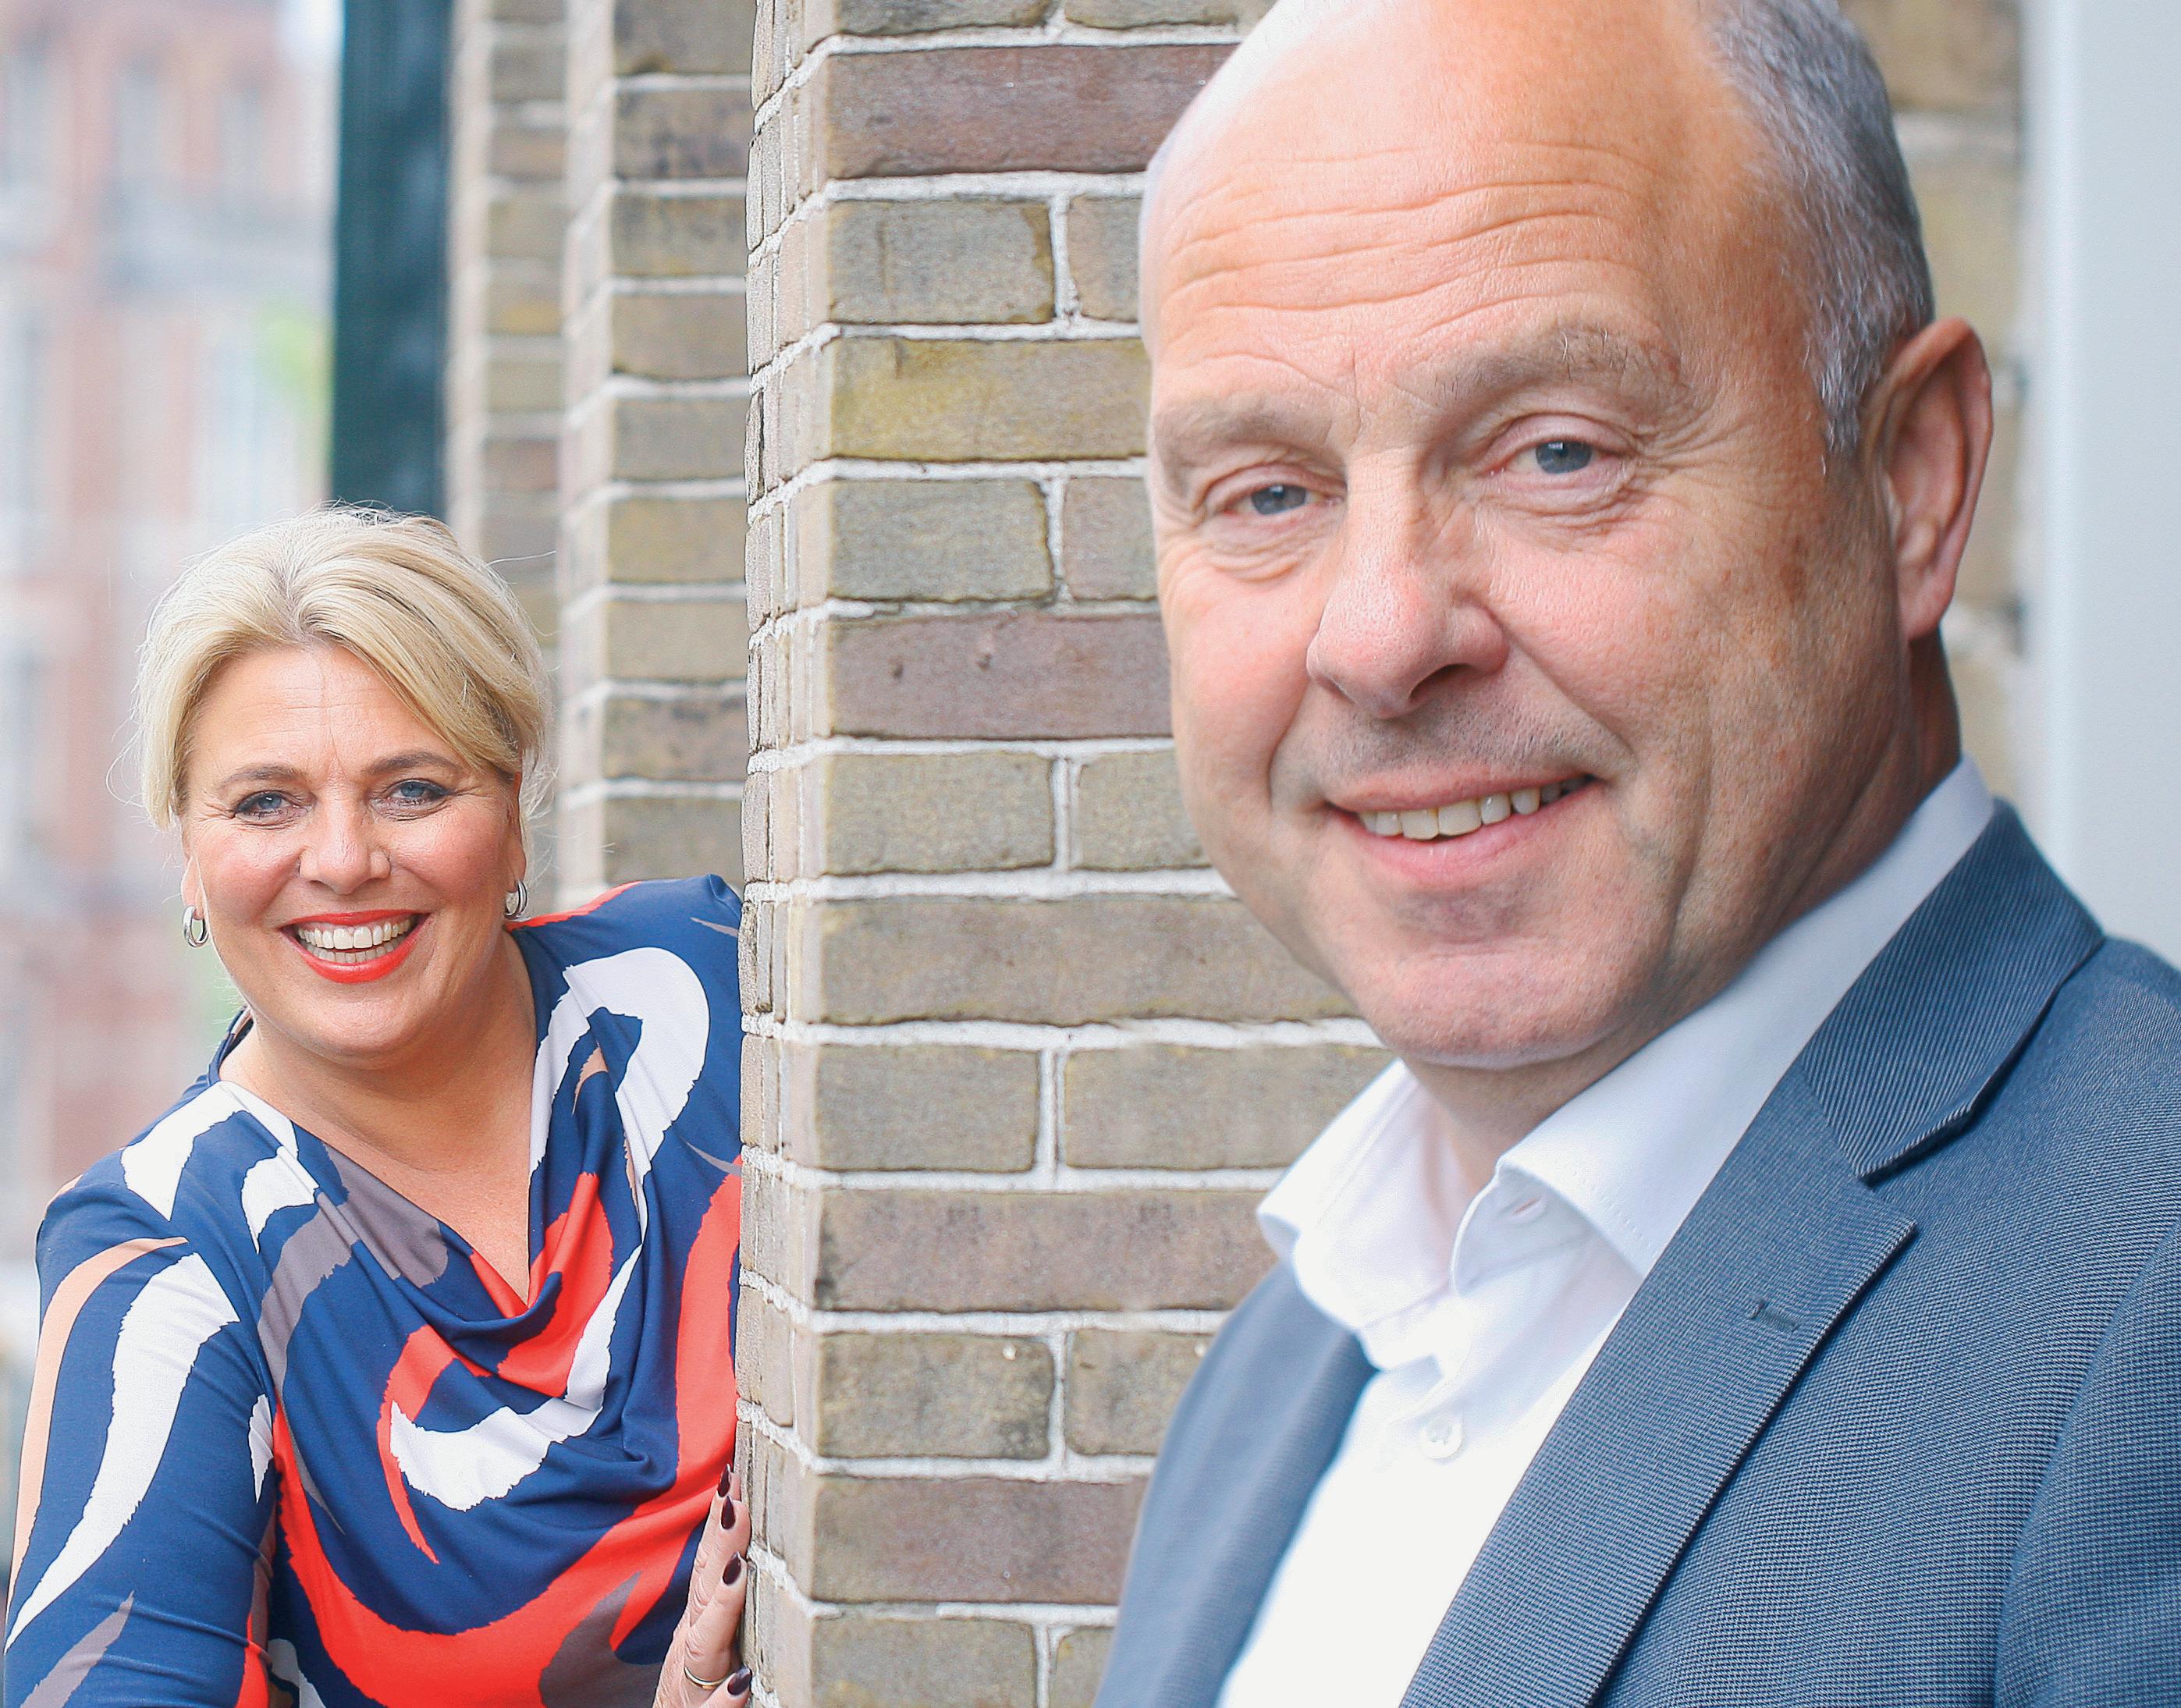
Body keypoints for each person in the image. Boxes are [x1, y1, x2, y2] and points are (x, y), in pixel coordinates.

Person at [1100, 0, 2181, 1703]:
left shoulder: (2146, 1307)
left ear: (1911, 480)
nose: (1379, 638)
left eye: (1557, 452)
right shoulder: (1292, 1359)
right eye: (1268, 493)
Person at [4, 511, 753, 1706]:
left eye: (411, 788)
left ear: (513, 811)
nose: (344, 859)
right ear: (189, 852)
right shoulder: (167, 1255)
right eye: (267, 802)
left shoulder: (711, 992)